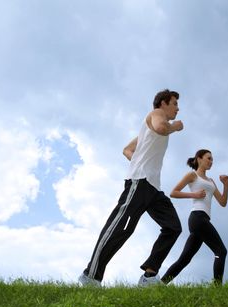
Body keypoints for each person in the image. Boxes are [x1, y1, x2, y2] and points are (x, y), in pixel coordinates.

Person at [78, 89, 184, 287]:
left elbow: (127, 149)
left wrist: (136, 159)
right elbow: (162, 128)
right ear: (163, 103)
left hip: (153, 187)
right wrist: (175, 127)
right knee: (120, 228)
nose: (178, 108)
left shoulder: (148, 127)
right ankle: (90, 276)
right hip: (140, 182)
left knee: (172, 227)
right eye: (175, 103)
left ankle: (149, 276)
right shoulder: (157, 115)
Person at [160, 149, 228, 285]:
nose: (211, 161)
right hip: (197, 218)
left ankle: (160, 285)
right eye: (208, 158)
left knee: (185, 259)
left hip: (203, 220)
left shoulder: (211, 181)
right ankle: (218, 289)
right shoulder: (192, 175)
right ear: (199, 159)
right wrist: (194, 195)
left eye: (212, 159)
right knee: (221, 251)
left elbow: (222, 202)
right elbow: (173, 192)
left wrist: (226, 185)